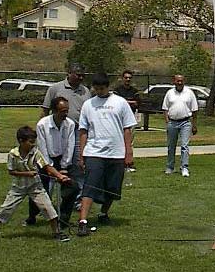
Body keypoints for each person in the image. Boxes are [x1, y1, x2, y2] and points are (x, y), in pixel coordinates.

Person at [0, 126, 71, 242]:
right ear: (21, 141)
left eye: (34, 142)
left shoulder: (35, 153)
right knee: (6, 207)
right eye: (30, 142)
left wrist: (60, 176)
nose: (32, 145)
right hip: (18, 187)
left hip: (35, 186)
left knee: (47, 207)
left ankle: (56, 232)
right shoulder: (13, 154)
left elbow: (47, 167)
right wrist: (27, 173)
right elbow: (11, 171)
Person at [77, 72, 137, 237]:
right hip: (94, 151)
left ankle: (103, 213)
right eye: (96, 89)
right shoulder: (88, 105)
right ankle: (83, 221)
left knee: (112, 188)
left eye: (102, 89)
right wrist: (81, 155)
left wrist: (128, 152)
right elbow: (83, 131)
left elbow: (127, 128)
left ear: (107, 87)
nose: (99, 92)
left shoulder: (120, 103)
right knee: (90, 186)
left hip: (116, 153)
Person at [24, 97, 79, 229]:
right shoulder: (42, 125)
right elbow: (42, 149)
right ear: (53, 111)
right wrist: (50, 169)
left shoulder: (70, 124)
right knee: (40, 191)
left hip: (63, 160)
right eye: (62, 111)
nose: (65, 114)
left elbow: (69, 146)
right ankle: (32, 216)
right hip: (45, 161)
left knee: (72, 187)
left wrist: (64, 166)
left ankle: (64, 219)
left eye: (67, 111)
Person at [42, 63, 91, 206]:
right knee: (53, 162)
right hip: (58, 130)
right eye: (78, 75)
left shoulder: (85, 91)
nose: (81, 78)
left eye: (83, 75)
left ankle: (77, 199)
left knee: (77, 164)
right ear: (69, 73)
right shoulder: (55, 88)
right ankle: (46, 201)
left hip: (78, 131)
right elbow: (45, 110)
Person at [162, 74, 198, 177]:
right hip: (172, 122)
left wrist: (194, 125)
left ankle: (184, 167)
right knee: (171, 146)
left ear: (184, 81)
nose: (180, 82)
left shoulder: (189, 93)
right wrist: (167, 121)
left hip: (185, 122)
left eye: (181, 81)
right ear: (174, 81)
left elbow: (194, 110)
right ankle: (170, 167)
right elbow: (165, 108)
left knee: (184, 146)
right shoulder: (169, 93)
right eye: (178, 81)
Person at [114, 69, 141, 171]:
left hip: (131, 117)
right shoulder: (117, 90)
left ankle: (129, 162)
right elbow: (116, 103)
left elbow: (137, 103)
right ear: (122, 78)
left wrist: (125, 101)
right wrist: (130, 102)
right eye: (126, 78)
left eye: (129, 78)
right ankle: (120, 163)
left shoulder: (135, 91)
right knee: (119, 141)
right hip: (119, 118)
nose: (128, 79)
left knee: (130, 142)